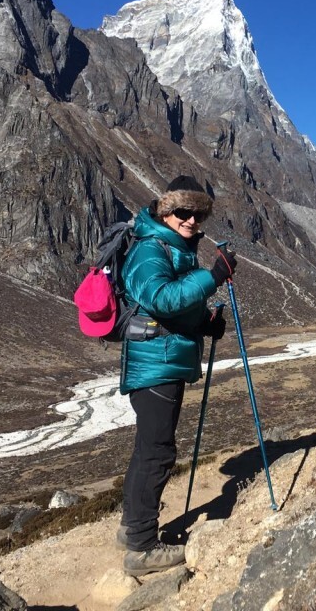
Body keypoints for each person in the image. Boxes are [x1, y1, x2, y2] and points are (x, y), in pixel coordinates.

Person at [117, 175, 236, 576]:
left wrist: (205, 323)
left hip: (161, 359)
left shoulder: (171, 247)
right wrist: (213, 277)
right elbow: (161, 300)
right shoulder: (151, 249)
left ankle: (131, 529)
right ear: (166, 211)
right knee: (157, 452)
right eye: (183, 212)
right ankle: (142, 548)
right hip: (156, 363)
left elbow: (175, 308)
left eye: (197, 213)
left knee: (148, 448)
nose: (191, 220)